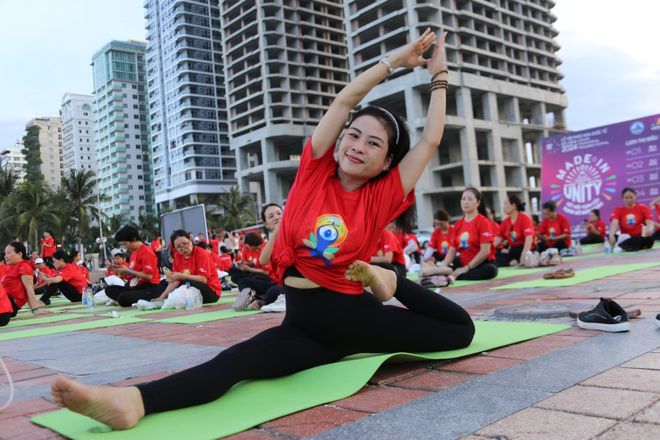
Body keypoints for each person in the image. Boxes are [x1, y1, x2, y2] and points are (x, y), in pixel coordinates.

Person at [51, 30, 474, 431]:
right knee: (236, 362)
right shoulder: (314, 170)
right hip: (304, 325)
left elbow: (430, 140)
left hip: (352, 318)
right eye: (355, 135)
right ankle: (131, 402)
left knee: (460, 330)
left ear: (385, 163)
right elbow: (346, 100)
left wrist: (438, 77)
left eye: (374, 144)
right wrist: (395, 61)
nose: (358, 146)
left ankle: (389, 277)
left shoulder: (380, 195)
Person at [232, 205, 286, 311]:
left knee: (273, 291)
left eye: (279, 213)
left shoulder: (294, 234)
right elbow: (263, 261)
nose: (276, 217)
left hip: (290, 283)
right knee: (242, 280)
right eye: (271, 216)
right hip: (276, 281)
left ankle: (260, 300)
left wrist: (250, 268)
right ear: (266, 224)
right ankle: (254, 297)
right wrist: (275, 234)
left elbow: (265, 270)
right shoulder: (269, 244)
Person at [440, 188, 498, 281]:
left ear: (478, 203)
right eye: (463, 199)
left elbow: (485, 251)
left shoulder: (483, 222)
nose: (465, 202)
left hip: (481, 264)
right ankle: (453, 275)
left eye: (470, 199)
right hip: (464, 262)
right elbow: (452, 249)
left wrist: (467, 268)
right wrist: (442, 267)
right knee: (449, 266)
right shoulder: (458, 224)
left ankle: (457, 276)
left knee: (490, 270)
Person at [153, 231, 221, 304]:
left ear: (190, 239)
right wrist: (162, 296)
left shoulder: (201, 253)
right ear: (175, 248)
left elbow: (203, 279)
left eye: (185, 243)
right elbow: (176, 280)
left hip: (210, 291)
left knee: (188, 282)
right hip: (189, 286)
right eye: (178, 247)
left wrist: (181, 276)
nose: (183, 248)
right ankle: (163, 299)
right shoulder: (177, 256)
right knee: (163, 283)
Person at [105, 226, 162, 307]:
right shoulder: (133, 253)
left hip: (149, 288)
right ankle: (127, 300)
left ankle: (123, 300)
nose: (125, 247)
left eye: (125, 244)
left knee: (123, 297)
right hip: (136, 286)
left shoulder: (147, 252)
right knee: (109, 289)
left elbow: (148, 276)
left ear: (134, 239)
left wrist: (128, 270)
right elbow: (132, 275)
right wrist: (120, 272)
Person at [2, 241, 48, 315]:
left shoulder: (24, 266)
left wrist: (35, 309)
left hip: (9, 303)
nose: (5, 256)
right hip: (5, 301)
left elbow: (29, 288)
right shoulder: (10, 267)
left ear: (19, 254)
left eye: (9, 253)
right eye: (5, 253)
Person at [494, 195, 535, 267]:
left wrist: (524, 254)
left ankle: (518, 260)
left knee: (525, 259)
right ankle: (514, 261)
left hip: (526, 249)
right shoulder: (505, 222)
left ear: (513, 206)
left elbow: (529, 238)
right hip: (513, 250)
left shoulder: (525, 219)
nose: (503, 207)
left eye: (506, 204)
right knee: (496, 258)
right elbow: (497, 240)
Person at [608, 188, 655, 252]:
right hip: (626, 236)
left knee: (647, 240)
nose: (629, 200)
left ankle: (621, 247)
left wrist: (650, 229)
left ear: (635, 196)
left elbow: (649, 222)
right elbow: (614, 223)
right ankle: (622, 246)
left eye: (631, 197)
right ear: (622, 198)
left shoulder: (643, 207)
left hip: (640, 237)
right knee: (609, 236)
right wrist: (611, 235)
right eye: (626, 198)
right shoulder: (618, 210)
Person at [421, 209, 454, 277]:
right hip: (440, 257)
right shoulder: (436, 233)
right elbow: (430, 249)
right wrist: (424, 260)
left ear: (447, 220)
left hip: (452, 257)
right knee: (429, 261)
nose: (438, 226)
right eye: (436, 224)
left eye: (440, 224)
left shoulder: (454, 230)